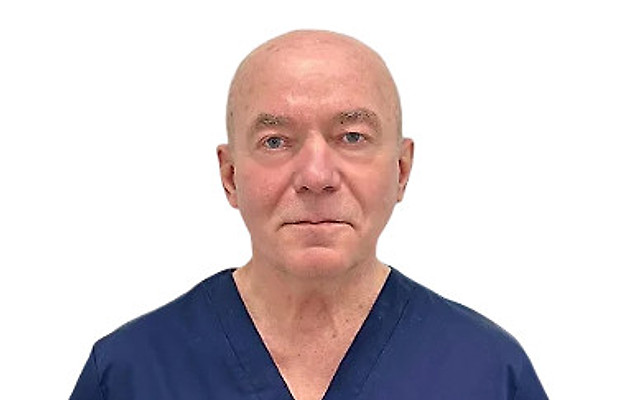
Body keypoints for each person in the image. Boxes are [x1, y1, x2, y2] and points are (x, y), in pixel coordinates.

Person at [70, 30, 548, 400]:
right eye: (276, 141)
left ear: (401, 170)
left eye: (352, 137)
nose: (316, 176)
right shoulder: (131, 374)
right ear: (230, 175)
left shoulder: (486, 372)